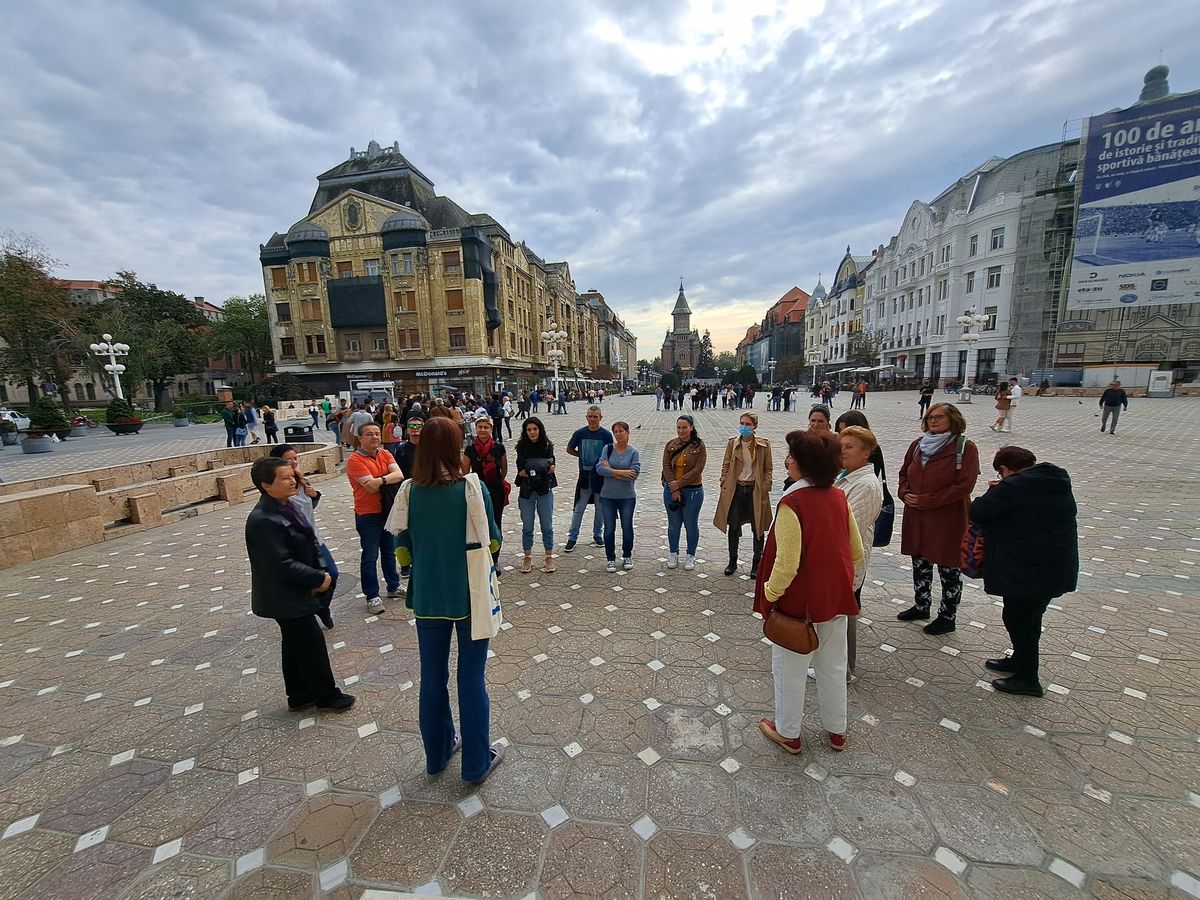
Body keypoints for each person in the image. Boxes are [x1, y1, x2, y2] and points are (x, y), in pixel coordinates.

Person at [389, 417, 504, 784]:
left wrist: (425, 563)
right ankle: (475, 764)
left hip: (427, 597)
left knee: (431, 677)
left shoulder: (408, 491)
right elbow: (494, 542)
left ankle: (437, 756)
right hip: (469, 596)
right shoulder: (472, 488)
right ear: (456, 446)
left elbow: (401, 548)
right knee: (471, 679)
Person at [755, 429, 863, 754]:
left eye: (792, 456)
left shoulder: (793, 502)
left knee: (789, 670)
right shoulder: (839, 497)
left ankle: (788, 732)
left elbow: (786, 564)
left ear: (802, 465)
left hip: (797, 605)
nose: (788, 460)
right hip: (835, 600)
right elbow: (856, 550)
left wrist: (770, 594)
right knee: (832, 666)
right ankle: (837, 731)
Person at [245, 457, 354, 712]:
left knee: (294, 645)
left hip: (292, 592)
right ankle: (327, 696)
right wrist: (318, 578)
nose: (292, 480)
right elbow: (281, 564)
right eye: (284, 477)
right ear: (265, 485)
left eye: (291, 475)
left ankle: (299, 694)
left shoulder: (285, 506)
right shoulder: (263, 519)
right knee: (311, 644)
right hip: (285, 596)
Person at [969, 446, 1078, 697]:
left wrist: (993, 489)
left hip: (1027, 569)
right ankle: (1020, 660)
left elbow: (979, 512)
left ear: (1005, 470)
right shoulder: (1055, 480)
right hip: (1053, 567)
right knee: (1029, 618)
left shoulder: (1014, 487)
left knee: (1020, 620)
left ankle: (1028, 678)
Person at [896, 403, 979, 635]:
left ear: (953, 419)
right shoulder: (917, 445)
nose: (933, 421)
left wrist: (929, 500)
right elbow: (904, 473)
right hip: (917, 516)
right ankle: (922, 605)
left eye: (939, 417)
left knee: (948, 567)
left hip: (947, 518)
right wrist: (905, 493)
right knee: (920, 562)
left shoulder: (965, 447)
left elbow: (964, 485)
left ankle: (947, 615)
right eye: (930, 417)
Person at [269, 444, 338, 628]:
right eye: (288, 459)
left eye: (295, 458)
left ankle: (322, 608)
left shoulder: (299, 480)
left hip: (315, 538)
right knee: (311, 580)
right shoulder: (279, 488)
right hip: (298, 544)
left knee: (333, 574)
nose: (293, 462)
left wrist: (314, 496)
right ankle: (308, 612)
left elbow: (306, 509)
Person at [835, 426, 884, 681]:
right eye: (841, 446)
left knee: (844, 617)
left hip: (848, 558)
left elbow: (847, 526)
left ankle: (843, 671)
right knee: (838, 616)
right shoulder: (846, 476)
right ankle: (834, 665)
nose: (842, 452)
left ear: (866, 453)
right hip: (837, 557)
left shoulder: (866, 484)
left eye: (849, 447)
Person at [346, 423, 403, 614]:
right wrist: (387, 477)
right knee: (370, 556)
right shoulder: (355, 460)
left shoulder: (385, 453)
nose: (375, 437)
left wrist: (380, 480)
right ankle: (372, 595)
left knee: (389, 551)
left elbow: (399, 475)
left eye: (377, 434)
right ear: (360, 438)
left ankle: (393, 586)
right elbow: (368, 486)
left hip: (387, 511)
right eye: (369, 434)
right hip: (367, 513)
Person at [713, 411, 772, 578]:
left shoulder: (764, 445)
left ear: (755, 427)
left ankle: (756, 563)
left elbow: (768, 468)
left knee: (758, 527)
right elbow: (725, 464)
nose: (744, 427)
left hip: (755, 489)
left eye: (748, 424)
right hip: (737, 489)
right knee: (734, 525)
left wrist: (766, 486)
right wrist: (723, 480)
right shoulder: (733, 443)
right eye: (742, 423)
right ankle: (732, 561)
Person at [564, 406, 613, 553]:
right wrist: (582, 456)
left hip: (600, 477)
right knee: (579, 508)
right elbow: (569, 449)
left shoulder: (606, 435)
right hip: (584, 477)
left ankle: (597, 534)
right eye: (590, 416)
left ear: (600, 418)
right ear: (586, 417)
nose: (592, 419)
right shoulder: (580, 433)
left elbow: (611, 453)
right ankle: (572, 537)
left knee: (600, 508)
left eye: (595, 417)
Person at [661, 415, 707, 570]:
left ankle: (690, 555)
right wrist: (673, 487)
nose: (681, 430)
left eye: (684, 427)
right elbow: (666, 466)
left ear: (691, 427)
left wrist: (678, 484)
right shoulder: (671, 445)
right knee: (673, 525)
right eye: (678, 427)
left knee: (690, 524)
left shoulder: (699, 446)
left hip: (693, 491)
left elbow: (698, 469)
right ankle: (673, 553)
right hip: (671, 490)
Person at [463, 418, 508, 566]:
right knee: (478, 524)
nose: (482, 430)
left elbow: (504, 469)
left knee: (495, 524)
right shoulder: (470, 449)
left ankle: (495, 559)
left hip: (495, 491)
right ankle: (482, 557)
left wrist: (496, 482)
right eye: (480, 427)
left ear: (491, 429)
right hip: (477, 492)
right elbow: (465, 472)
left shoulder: (499, 447)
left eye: (486, 427)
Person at [515, 416, 558, 574]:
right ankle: (527, 556)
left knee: (547, 525)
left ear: (540, 429)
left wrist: (532, 468)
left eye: (535, 429)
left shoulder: (547, 445)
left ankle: (549, 556)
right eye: (529, 430)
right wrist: (541, 467)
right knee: (527, 526)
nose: (532, 432)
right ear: (525, 432)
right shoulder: (521, 447)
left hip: (544, 490)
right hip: (526, 491)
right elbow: (521, 471)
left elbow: (552, 468)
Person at [596, 420, 640, 572]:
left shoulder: (633, 452)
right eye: (616, 431)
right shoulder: (607, 449)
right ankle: (610, 558)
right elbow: (600, 469)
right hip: (607, 496)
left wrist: (612, 471)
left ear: (628, 433)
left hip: (627, 497)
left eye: (621, 431)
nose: (618, 434)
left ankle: (627, 555)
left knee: (627, 527)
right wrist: (621, 472)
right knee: (609, 529)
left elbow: (633, 475)